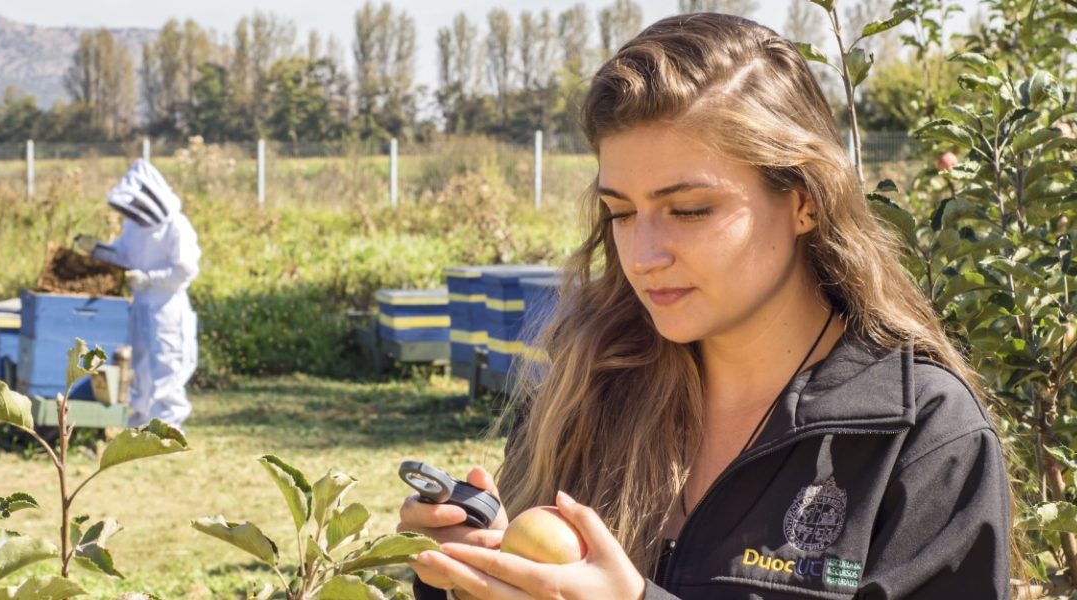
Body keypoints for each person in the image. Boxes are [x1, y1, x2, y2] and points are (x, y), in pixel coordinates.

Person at [397, 13, 1011, 600]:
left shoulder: (920, 438)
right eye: (622, 213)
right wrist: (471, 574)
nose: (643, 254)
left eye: (690, 210)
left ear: (805, 201)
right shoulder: (588, 392)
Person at [94, 159, 201, 429]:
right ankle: (139, 421)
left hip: (167, 306)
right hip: (140, 305)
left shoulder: (176, 226)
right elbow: (123, 254)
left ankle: (169, 427)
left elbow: (186, 270)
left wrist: (148, 279)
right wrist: (98, 250)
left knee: (168, 365)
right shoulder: (134, 226)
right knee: (138, 365)